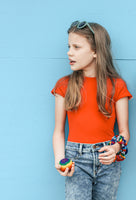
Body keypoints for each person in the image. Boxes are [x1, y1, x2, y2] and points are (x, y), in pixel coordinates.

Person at [51, 21, 133, 200]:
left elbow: (124, 132)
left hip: (107, 161)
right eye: (69, 46)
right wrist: (60, 159)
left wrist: (116, 147)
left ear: (95, 51)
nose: (69, 52)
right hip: (76, 161)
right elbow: (58, 131)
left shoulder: (117, 86)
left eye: (76, 47)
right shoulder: (64, 86)